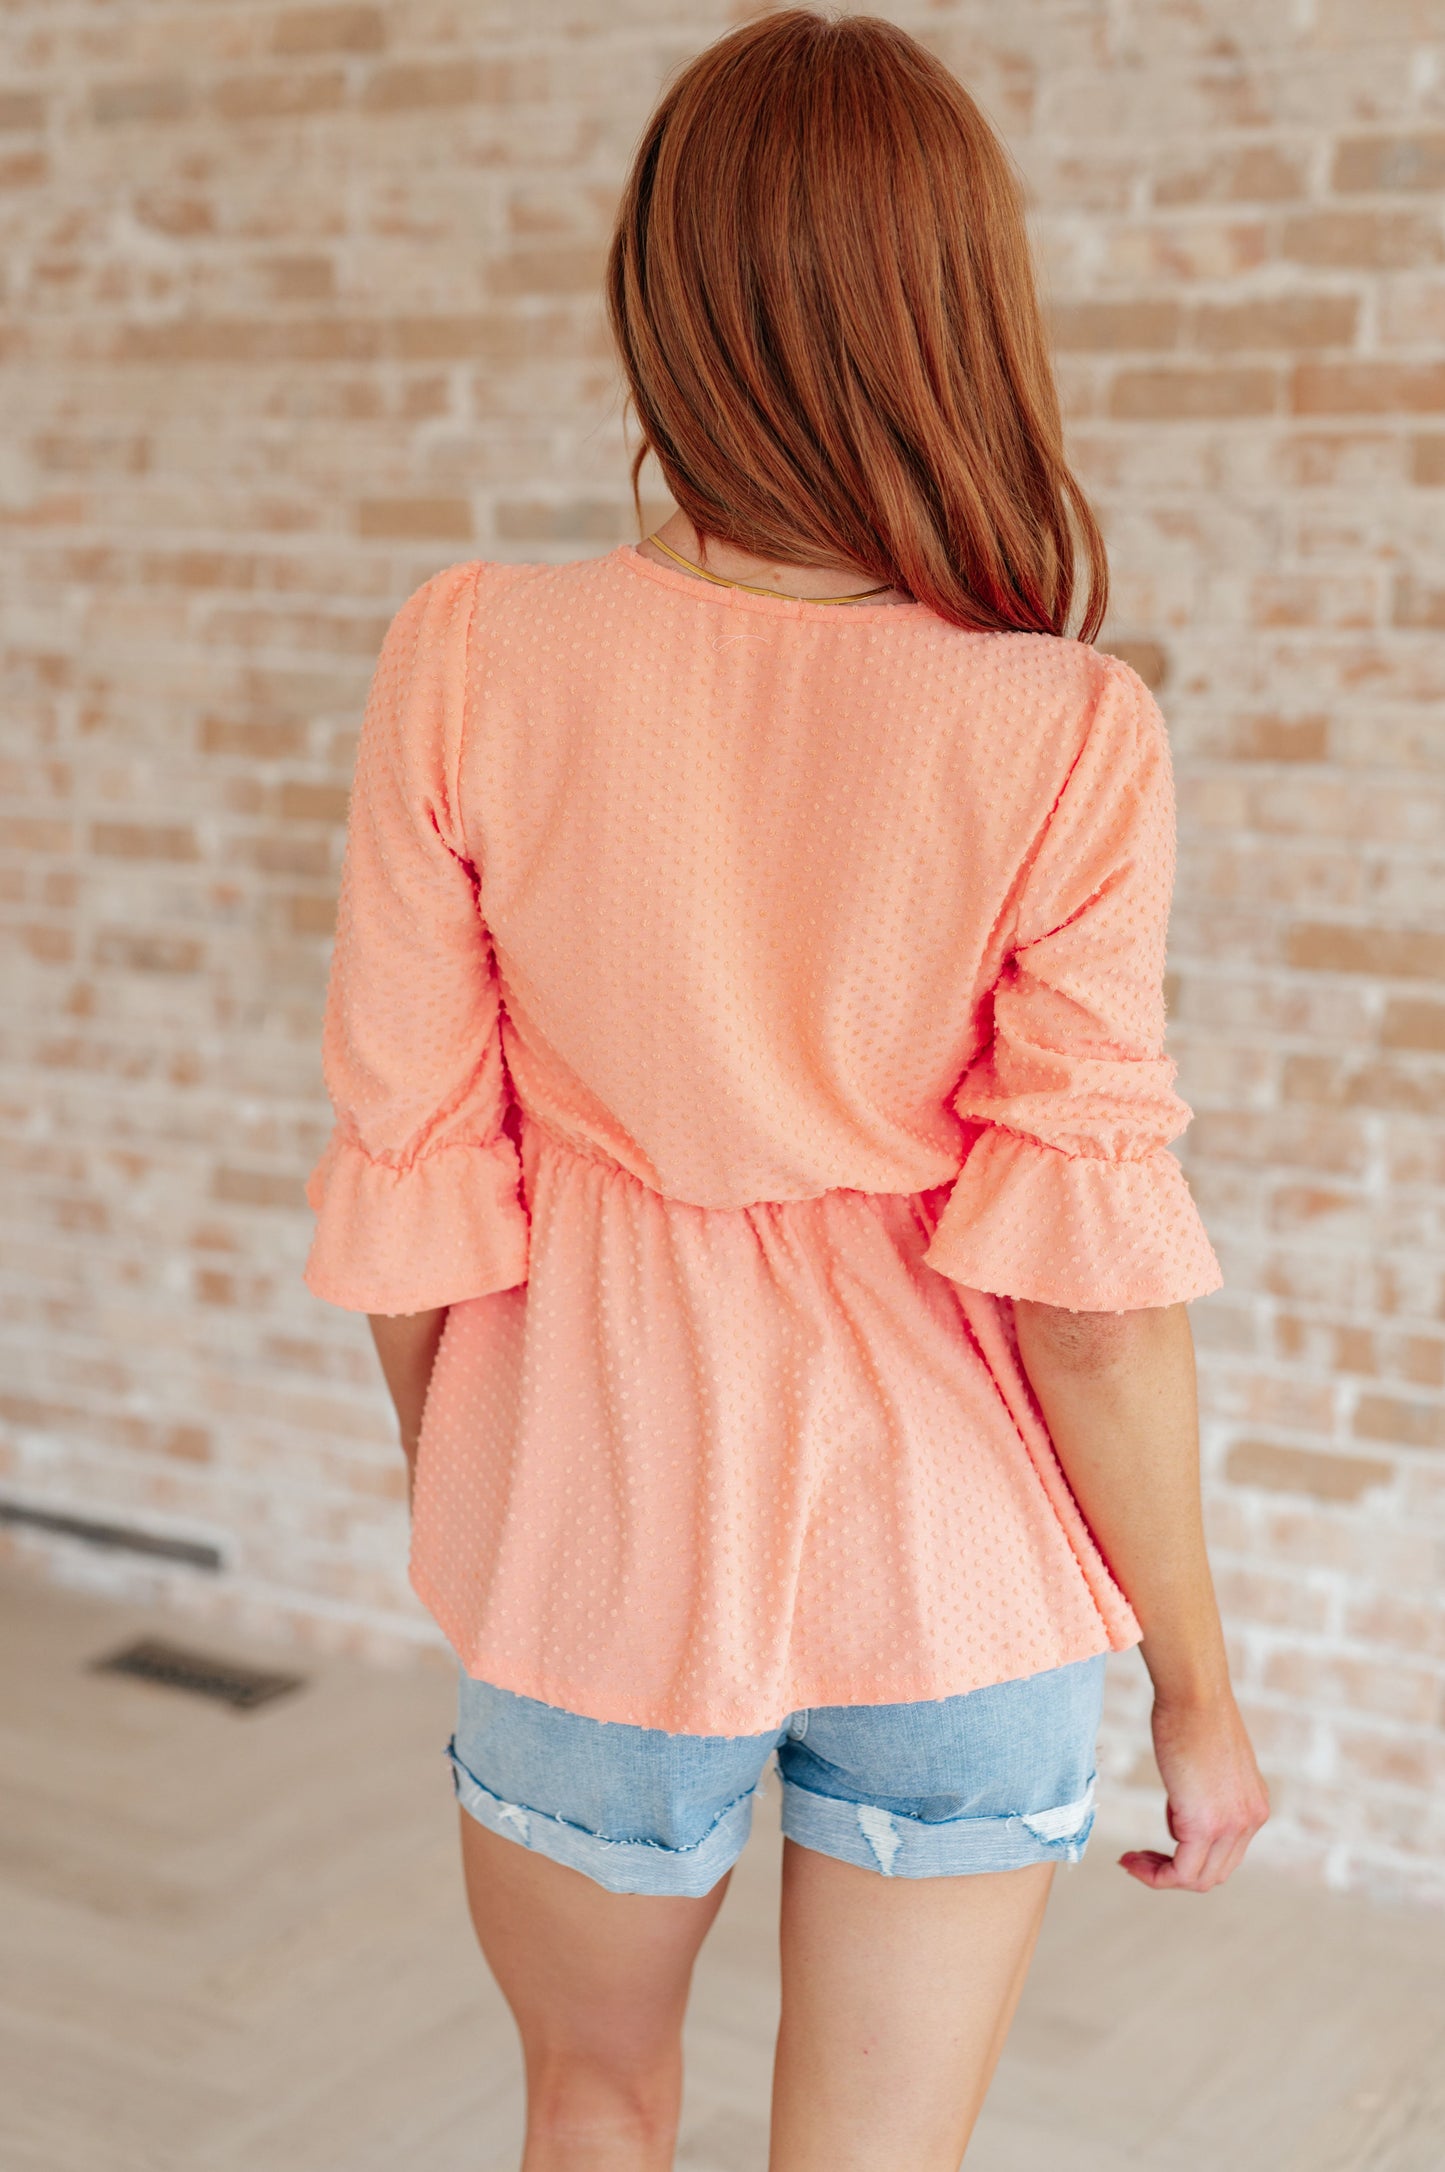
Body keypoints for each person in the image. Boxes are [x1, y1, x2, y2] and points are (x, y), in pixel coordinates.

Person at [302, 11, 1269, 2167]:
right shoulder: (1065, 725)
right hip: (959, 1567)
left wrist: (491, 1488)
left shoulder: (467, 656)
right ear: (960, 311)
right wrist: (1197, 1689)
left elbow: (417, 1171)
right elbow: (1090, 1304)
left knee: (590, 2097)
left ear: (661, 292)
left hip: (594, 1529)